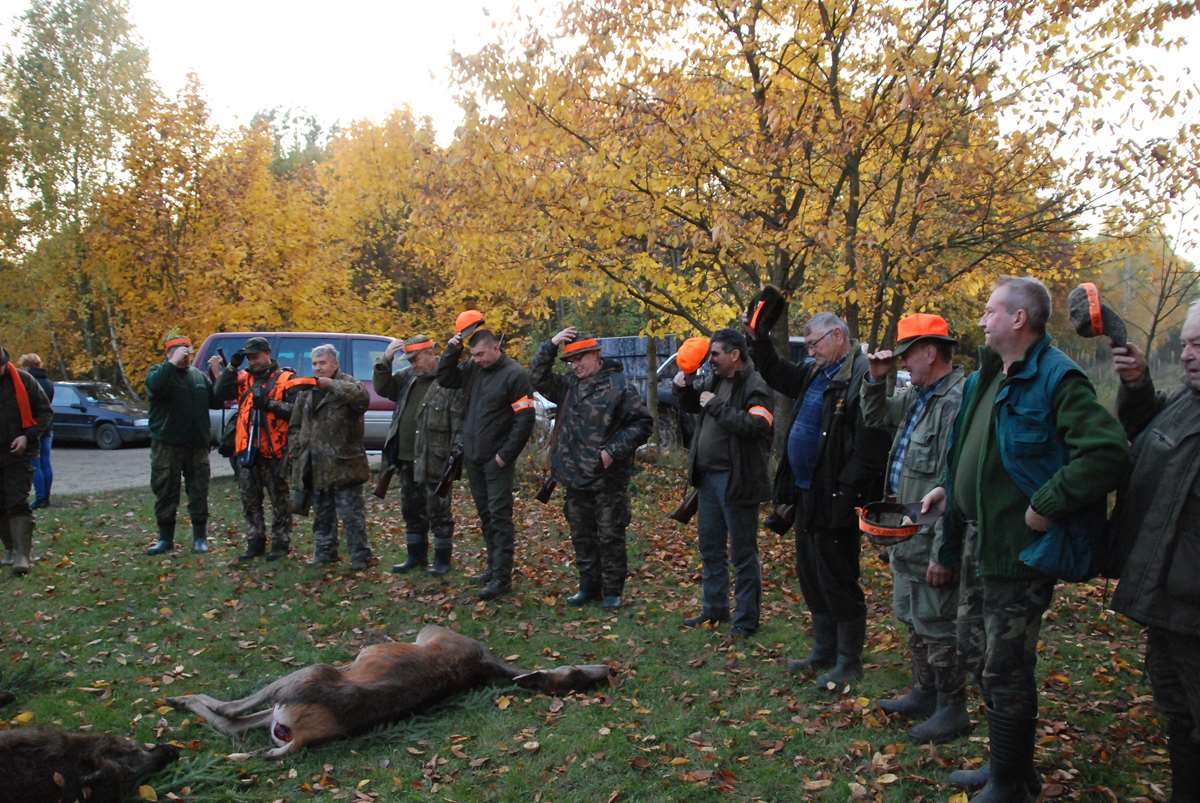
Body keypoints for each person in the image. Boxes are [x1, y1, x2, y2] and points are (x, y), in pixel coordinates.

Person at [921, 276, 1129, 802]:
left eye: (991, 310)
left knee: (1006, 666)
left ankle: (1011, 783)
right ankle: (1006, 765)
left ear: (1018, 319)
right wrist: (950, 485)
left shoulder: (1057, 377)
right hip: (978, 540)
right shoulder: (986, 376)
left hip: (1019, 551)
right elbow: (970, 449)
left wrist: (1048, 501)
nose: (982, 319)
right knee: (975, 653)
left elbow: (1107, 453)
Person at [748, 311, 890, 687]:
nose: (810, 352)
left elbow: (871, 444)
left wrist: (846, 492)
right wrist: (759, 339)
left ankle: (848, 660)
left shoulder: (860, 376)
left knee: (837, 575)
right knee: (811, 574)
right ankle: (824, 651)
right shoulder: (817, 372)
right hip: (807, 492)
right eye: (808, 345)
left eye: (815, 344)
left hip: (836, 494)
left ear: (838, 336)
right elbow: (777, 372)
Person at [861, 314, 969, 743]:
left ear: (930, 351)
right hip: (907, 532)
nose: (903, 362)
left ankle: (951, 708)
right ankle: (924, 693)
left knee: (938, 624)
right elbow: (875, 416)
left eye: (907, 354)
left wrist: (945, 551)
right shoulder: (919, 396)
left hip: (931, 537)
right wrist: (875, 379)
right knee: (913, 617)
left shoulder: (956, 402)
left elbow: (953, 484)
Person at [1108, 301, 1200, 803]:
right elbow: (1149, 434)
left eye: (1199, 344)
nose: (1187, 355)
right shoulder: (1188, 399)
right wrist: (1138, 385)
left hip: (1193, 605)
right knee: (1178, 714)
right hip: (1168, 599)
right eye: (1185, 343)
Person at [530, 328, 652, 609]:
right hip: (574, 477)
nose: (575, 365)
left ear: (596, 355)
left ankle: (612, 592)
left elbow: (642, 424)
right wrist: (551, 344)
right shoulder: (568, 386)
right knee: (581, 535)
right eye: (571, 360)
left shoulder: (620, 388)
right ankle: (588, 587)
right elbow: (536, 377)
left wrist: (612, 451)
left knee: (610, 535)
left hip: (607, 479)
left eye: (580, 358)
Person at [674, 328, 773, 637]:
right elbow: (696, 405)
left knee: (743, 553)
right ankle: (714, 609)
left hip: (737, 480)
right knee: (711, 548)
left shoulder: (755, 385)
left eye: (715, 354)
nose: (711, 359)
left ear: (735, 355)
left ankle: (746, 620)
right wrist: (683, 388)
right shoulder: (716, 380)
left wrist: (715, 405)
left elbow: (757, 426)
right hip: (708, 480)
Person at [436, 317, 535, 601]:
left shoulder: (516, 375)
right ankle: (493, 567)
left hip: (497, 459)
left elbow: (525, 420)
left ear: (495, 348)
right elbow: (445, 378)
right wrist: (452, 350)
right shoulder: (473, 369)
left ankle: (502, 577)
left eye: (480, 354)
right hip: (473, 456)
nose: (477, 359)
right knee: (486, 516)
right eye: (473, 355)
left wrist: (505, 455)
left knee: (500, 517)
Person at [210, 337, 317, 563]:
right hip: (247, 450)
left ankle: (280, 544)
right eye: (249, 358)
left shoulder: (286, 379)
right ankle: (255, 542)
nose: (252, 361)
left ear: (267, 354)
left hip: (276, 451)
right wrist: (231, 367)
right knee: (250, 500)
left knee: (280, 501)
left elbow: (297, 411)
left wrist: (269, 405)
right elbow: (219, 393)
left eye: (256, 356)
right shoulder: (243, 378)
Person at [375, 335, 464, 576]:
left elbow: (459, 421)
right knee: (411, 509)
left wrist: (455, 456)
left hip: (436, 457)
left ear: (430, 353)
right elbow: (383, 388)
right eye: (410, 360)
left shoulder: (449, 379)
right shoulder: (408, 377)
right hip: (406, 457)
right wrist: (385, 360)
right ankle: (416, 556)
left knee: (439, 511)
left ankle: (442, 560)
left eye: (416, 359)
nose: (412, 364)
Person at [287, 344, 373, 570]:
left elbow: (362, 399)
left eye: (322, 363)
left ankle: (360, 557)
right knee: (322, 514)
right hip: (315, 464)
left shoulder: (349, 384)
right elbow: (295, 423)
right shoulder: (307, 389)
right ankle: (324, 553)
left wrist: (331, 385)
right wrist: (297, 447)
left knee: (351, 515)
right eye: (314, 363)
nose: (318, 368)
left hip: (344, 464)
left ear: (335, 364)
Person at [145, 332, 218, 556]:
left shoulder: (198, 376)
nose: (186, 356)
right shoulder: (158, 373)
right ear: (169, 353)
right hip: (167, 444)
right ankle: (165, 538)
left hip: (197, 445)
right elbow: (156, 387)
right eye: (180, 352)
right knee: (166, 491)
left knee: (199, 491)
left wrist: (218, 375)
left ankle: (200, 538)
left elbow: (216, 400)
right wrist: (172, 363)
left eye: (188, 352)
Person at [0, 343, 52, 575]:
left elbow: (45, 412)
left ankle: (23, 555)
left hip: (19, 453)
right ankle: (10, 549)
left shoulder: (24, 381)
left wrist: (27, 436)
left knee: (17, 501)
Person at [18, 354, 54, 510]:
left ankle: (40, 498)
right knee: (46, 462)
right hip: (48, 427)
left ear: (27, 366)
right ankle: (46, 496)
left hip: (34, 428)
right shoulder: (49, 382)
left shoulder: (27, 383)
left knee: (35, 463)